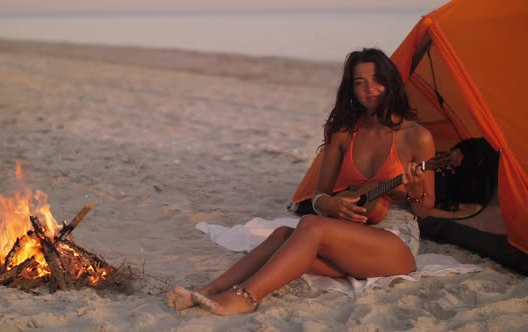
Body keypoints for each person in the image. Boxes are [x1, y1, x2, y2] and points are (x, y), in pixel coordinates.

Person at [166, 48, 436, 316]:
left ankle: (248, 297)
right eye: (359, 82)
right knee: (283, 234)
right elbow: (318, 196)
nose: (370, 89)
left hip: (394, 244)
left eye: (377, 80)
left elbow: (425, 209)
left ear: (390, 81)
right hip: (350, 239)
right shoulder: (344, 133)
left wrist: (414, 191)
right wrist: (331, 205)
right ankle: (208, 291)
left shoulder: (416, 136)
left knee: (310, 226)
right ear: (350, 89)